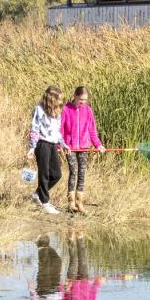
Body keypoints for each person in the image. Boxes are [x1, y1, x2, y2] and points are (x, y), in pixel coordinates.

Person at [60, 85, 104, 215]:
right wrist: (61, 145)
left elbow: (92, 131)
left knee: (82, 172)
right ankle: (71, 203)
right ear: (75, 96)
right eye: (81, 100)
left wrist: (98, 145)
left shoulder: (88, 110)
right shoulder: (66, 109)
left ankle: (80, 202)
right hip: (70, 147)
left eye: (85, 100)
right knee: (73, 171)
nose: (83, 103)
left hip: (84, 146)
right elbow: (60, 130)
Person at [25, 86, 66, 214]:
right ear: (51, 98)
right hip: (42, 144)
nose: (60, 101)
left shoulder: (57, 112)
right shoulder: (39, 110)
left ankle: (38, 194)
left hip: (53, 144)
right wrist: (32, 147)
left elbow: (57, 131)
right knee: (44, 174)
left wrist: (63, 144)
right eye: (58, 99)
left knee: (56, 174)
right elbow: (35, 129)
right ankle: (45, 202)